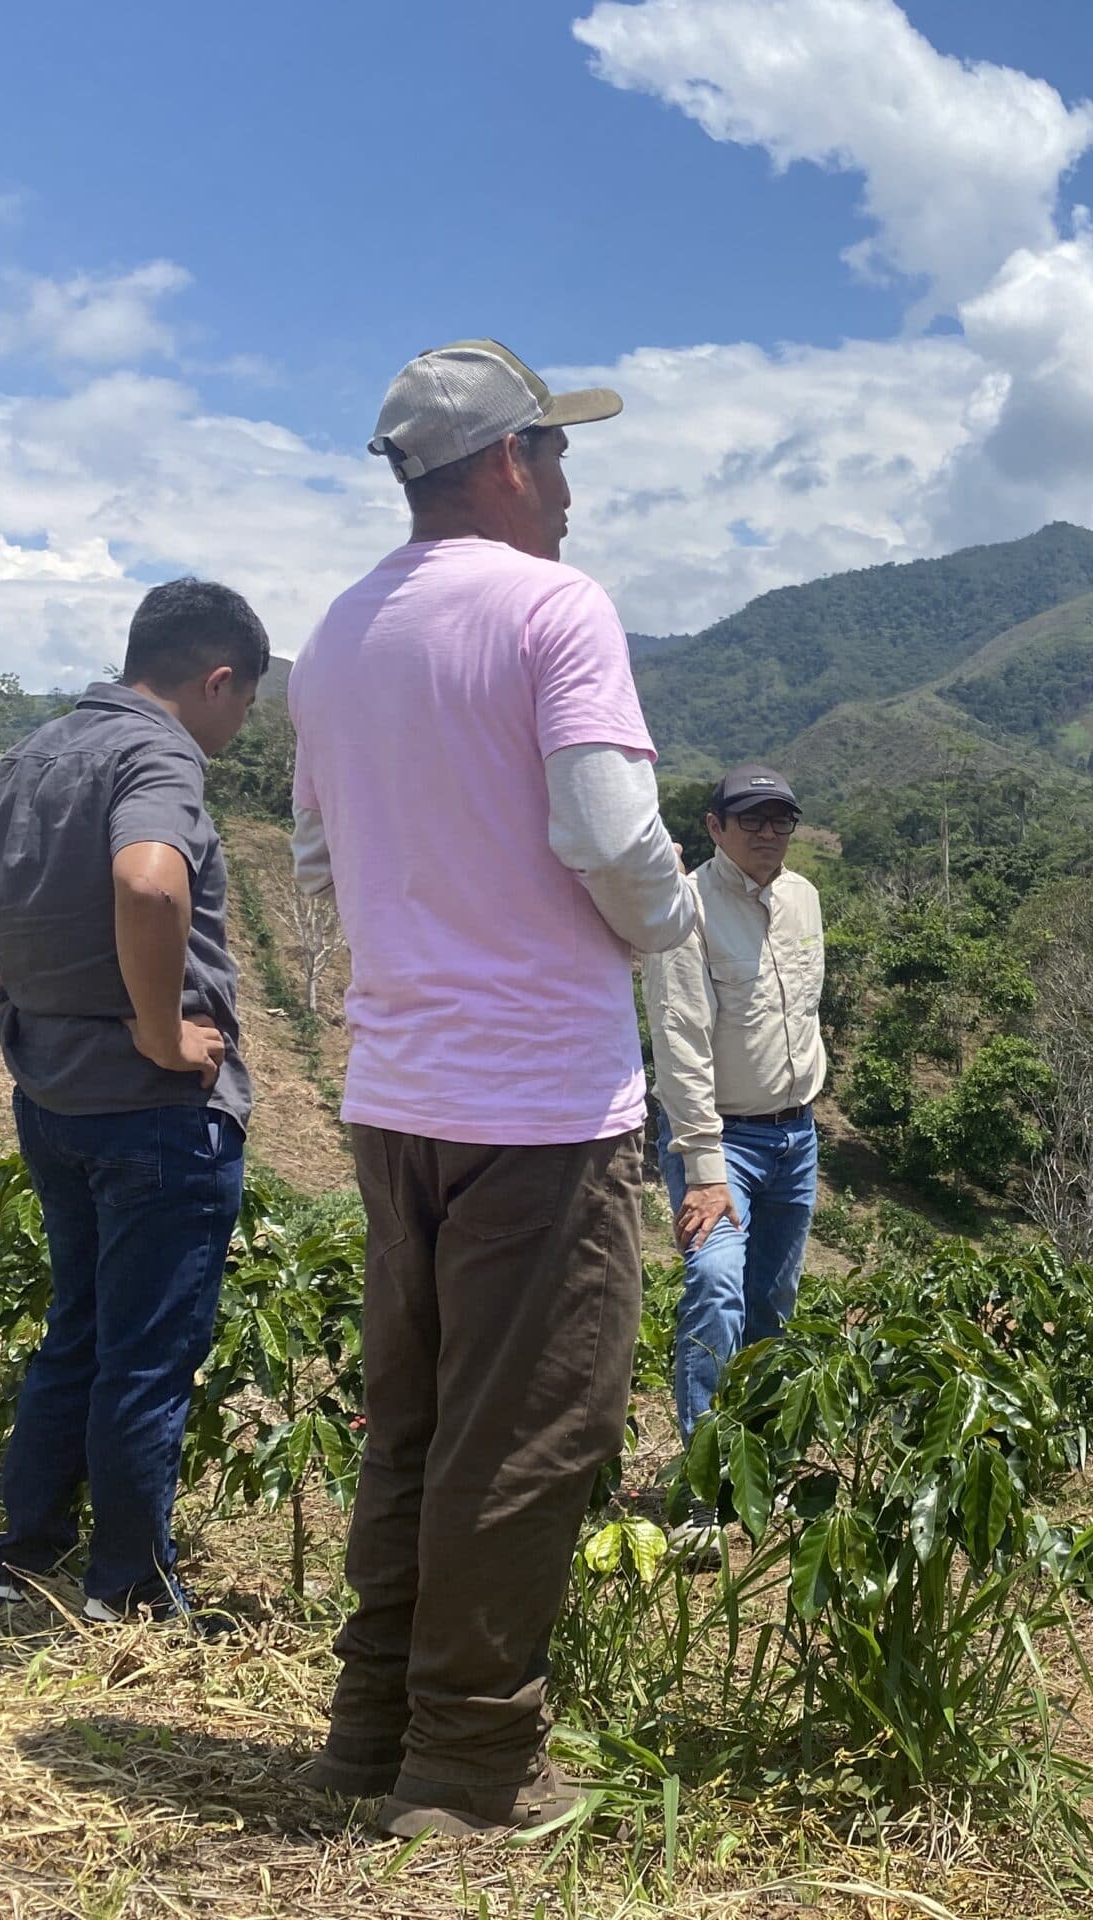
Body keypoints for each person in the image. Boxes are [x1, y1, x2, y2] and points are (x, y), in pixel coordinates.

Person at [287, 340, 697, 1838]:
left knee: (418, 1420)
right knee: (529, 1431)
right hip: (536, 1101)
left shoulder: (334, 639)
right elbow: (605, 830)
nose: (576, 493)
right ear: (512, 461)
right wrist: (664, 922)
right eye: (563, 458)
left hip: (397, 1090)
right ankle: (467, 1771)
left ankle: (369, 1727)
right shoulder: (553, 609)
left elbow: (319, 866)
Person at [0, 578, 267, 1627]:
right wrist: (156, 1032)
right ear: (217, 678)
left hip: (51, 1093)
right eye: (244, 705)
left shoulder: (28, 756)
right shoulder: (155, 755)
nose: (239, 727)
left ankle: (22, 1560)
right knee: (146, 1353)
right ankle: (130, 1590)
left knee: (79, 1334)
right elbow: (149, 883)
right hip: (150, 1106)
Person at [642, 764, 826, 1549]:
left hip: (796, 1134)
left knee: (772, 1307)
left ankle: (760, 1473)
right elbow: (680, 1041)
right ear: (714, 826)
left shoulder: (805, 900)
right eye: (749, 819)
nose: (767, 832)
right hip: (719, 1141)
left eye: (780, 818)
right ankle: (701, 1493)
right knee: (716, 1289)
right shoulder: (685, 907)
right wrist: (707, 1168)